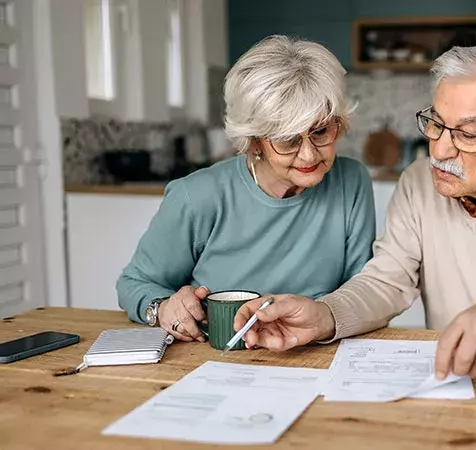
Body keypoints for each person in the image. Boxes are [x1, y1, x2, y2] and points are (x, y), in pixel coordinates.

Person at [234, 44, 476, 378]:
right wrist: (323, 315)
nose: (439, 150)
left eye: (467, 135)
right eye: (436, 123)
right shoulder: (419, 182)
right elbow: (386, 283)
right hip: (455, 379)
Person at [117, 36, 375, 342]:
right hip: (215, 358)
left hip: (314, 355)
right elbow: (134, 283)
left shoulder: (351, 182)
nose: (309, 154)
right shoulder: (198, 196)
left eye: (320, 132)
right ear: (254, 140)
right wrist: (161, 309)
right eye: (288, 139)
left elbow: (363, 294)